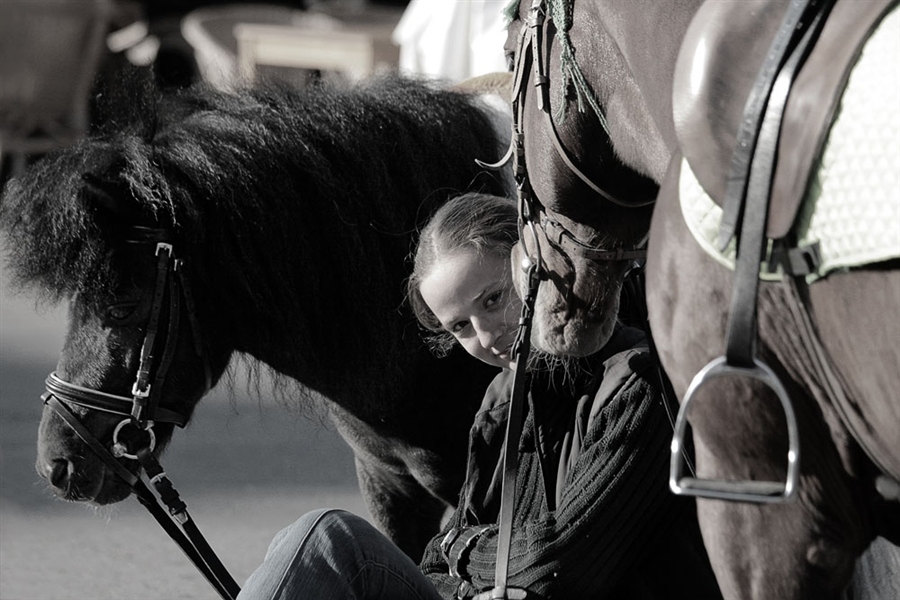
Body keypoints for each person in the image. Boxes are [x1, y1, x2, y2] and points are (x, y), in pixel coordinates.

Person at [237, 192, 722, 599]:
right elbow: (434, 565)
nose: (487, 336)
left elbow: (561, 565)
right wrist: (467, 569)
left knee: (332, 540)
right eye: (460, 326)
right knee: (299, 546)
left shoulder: (642, 382)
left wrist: (461, 548)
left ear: (537, 266)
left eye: (493, 299)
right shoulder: (500, 402)